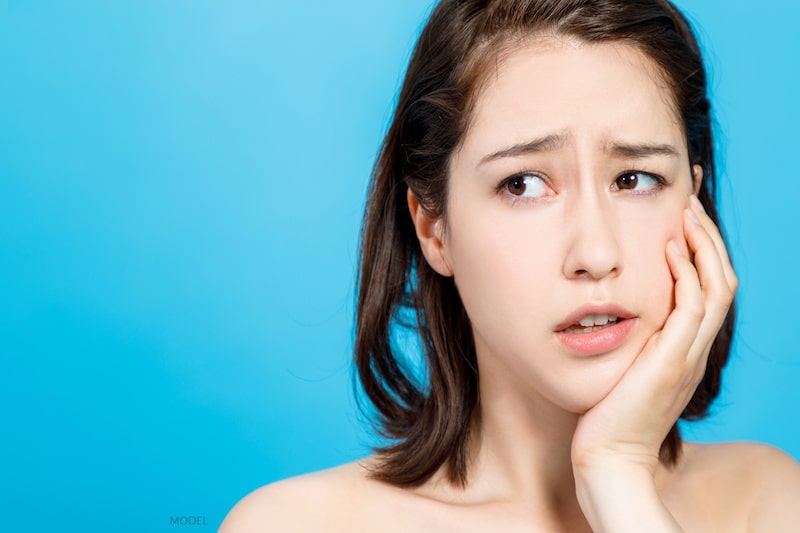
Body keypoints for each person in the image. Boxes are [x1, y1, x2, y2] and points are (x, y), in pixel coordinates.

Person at [220, 0, 800, 530]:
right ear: (432, 226)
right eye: (522, 184)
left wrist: (617, 475)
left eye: (635, 179)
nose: (595, 255)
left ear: (693, 201)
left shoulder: (766, 500)